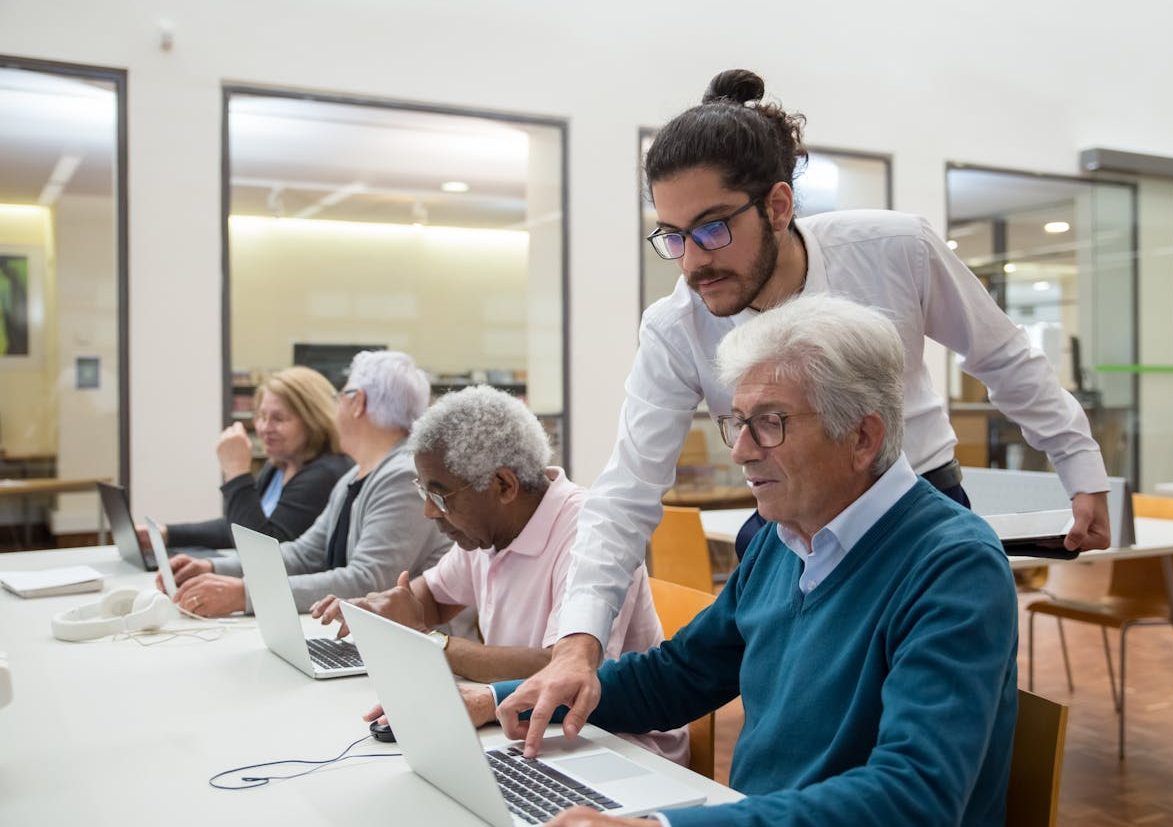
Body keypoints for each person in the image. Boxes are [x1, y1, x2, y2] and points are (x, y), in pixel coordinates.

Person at [507, 68, 1109, 754]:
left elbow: (1002, 355)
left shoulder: (894, 249)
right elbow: (625, 493)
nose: (692, 263)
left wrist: (1079, 467)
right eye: (672, 235)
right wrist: (577, 643)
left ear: (779, 205)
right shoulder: (676, 325)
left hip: (915, 516)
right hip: (789, 536)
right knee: (797, 742)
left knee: (920, 743)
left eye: (710, 229)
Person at [479, 296, 1019, 825]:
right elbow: (680, 677)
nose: (739, 450)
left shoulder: (953, 565)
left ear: (862, 436)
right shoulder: (781, 539)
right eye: (737, 422)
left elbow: (914, 795)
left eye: (769, 422)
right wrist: (500, 700)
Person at [312, 385, 687, 764]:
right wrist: (380, 610)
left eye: (440, 496)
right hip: (527, 722)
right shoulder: (486, 533)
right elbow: (430, 598)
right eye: (422, 491)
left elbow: (560, 669)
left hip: (617, 742)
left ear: (504, 486)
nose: (428, 511)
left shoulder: (589, 534)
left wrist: (432, 642)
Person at [163, 351, 452, 617]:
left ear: (357, 402)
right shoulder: (354, 478)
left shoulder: (402, 477)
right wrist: (214, 568)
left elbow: (368, 581)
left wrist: (247, 595)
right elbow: (303, 555)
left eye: (341, 395)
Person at [142, 366, 353, 551]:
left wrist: (237, 472)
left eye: (278, 419)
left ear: (313, 421)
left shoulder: (324, 474)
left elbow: (262, 548)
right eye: (261, 416)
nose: (265, 428)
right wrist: (168, 534)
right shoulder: (278, 467)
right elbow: (238, 527)